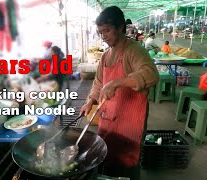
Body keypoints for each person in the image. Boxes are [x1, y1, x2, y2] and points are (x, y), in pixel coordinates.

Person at [80, 6, 159, 179]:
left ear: (120, 27)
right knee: (106, 157)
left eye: (107, 31)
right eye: (101, 32)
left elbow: (151, 75)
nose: (104, 36)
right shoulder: (106, 56)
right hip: (108, 118)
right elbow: (98, 82)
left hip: (129, 122)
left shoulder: (133, 50)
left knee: (126, 162)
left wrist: (117, 83)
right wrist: (91, 100)